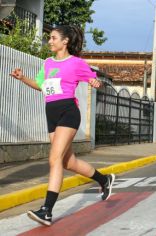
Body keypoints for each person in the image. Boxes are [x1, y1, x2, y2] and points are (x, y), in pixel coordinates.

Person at [10, 25, 115, 226]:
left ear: (65, 41)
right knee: (68, 162)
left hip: (68, 112)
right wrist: (22, 78)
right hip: (51, 114)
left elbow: (95, 80)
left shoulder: (76, 63)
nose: (49, 41)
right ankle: (104, 180)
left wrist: (95, 83)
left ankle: (47, 211)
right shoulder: (48, 63)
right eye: (49, 38)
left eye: (53, 38)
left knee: (54, 158)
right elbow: (41, 85)